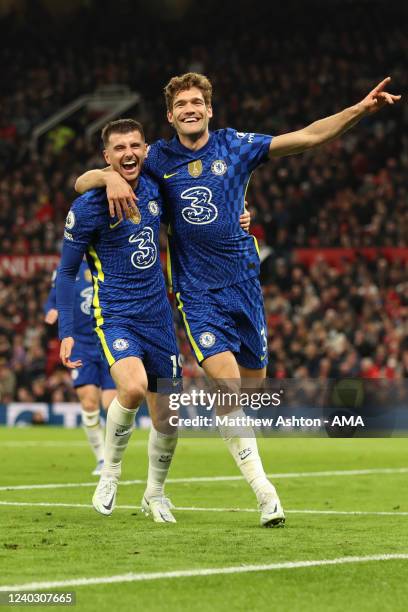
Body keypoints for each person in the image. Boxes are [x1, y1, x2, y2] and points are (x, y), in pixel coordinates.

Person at [74, 74, 400, 527]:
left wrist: (359, 110)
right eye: (181, 103)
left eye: (197, 102)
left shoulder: (235, 146)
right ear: (170, 115)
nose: (190, 108)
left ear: (209, 109)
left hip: (244, 287)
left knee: (252, 391)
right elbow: (88, 176)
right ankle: (265, 494)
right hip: (196, 294)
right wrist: (109, 176)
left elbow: (306, 137)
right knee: (226, 389)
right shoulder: (157, 158)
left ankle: (175, 482)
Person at [57, 119, 183, 523]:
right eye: (119, 148)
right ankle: (109, 472)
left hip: (159, 316)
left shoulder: (156, 186)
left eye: (135, 145)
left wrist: (241, 216)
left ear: (145, 148)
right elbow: (65, 272)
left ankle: (155, 493)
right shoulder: (89, 206)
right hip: (116, 313)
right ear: (107, 157)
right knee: (131, 387)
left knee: (169, 416)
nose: (129, 153)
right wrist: (67, 332)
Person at [45, 261, 116, 476]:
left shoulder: (107, 261)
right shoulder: (65, 269)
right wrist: (51, 311)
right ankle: (102, 459)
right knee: (88, 402)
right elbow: (52, 301)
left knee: (111, 406)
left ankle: (113, 458)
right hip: (80, 345)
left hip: (108, 340)